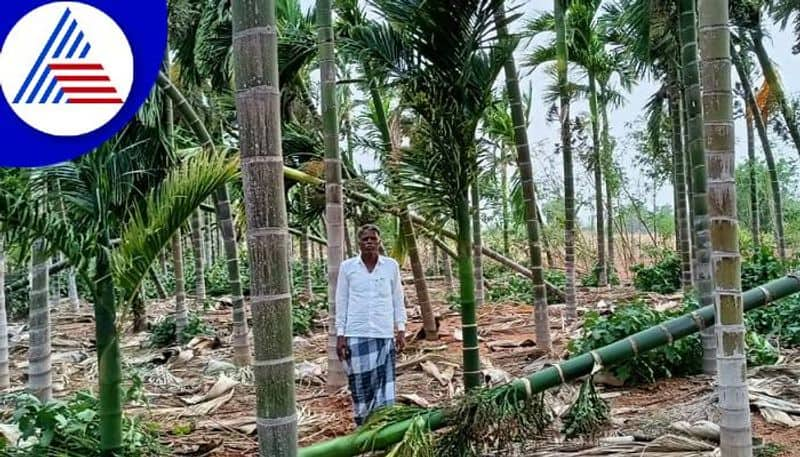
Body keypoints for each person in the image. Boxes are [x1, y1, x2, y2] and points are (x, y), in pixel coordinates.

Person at [335, 223, 406, 426]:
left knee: (385, 385)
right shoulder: (348, 268)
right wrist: (341, 335)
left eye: (373, 239)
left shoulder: (391, 266)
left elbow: (397, 298)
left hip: (383, 334)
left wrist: (401, 329)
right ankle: (364, 425)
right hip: (356, 333)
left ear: (379, 241)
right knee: (360, 384)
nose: (369, 242)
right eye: (365, 239)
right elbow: (342, 301)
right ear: (359, 243)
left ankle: (383, 425)